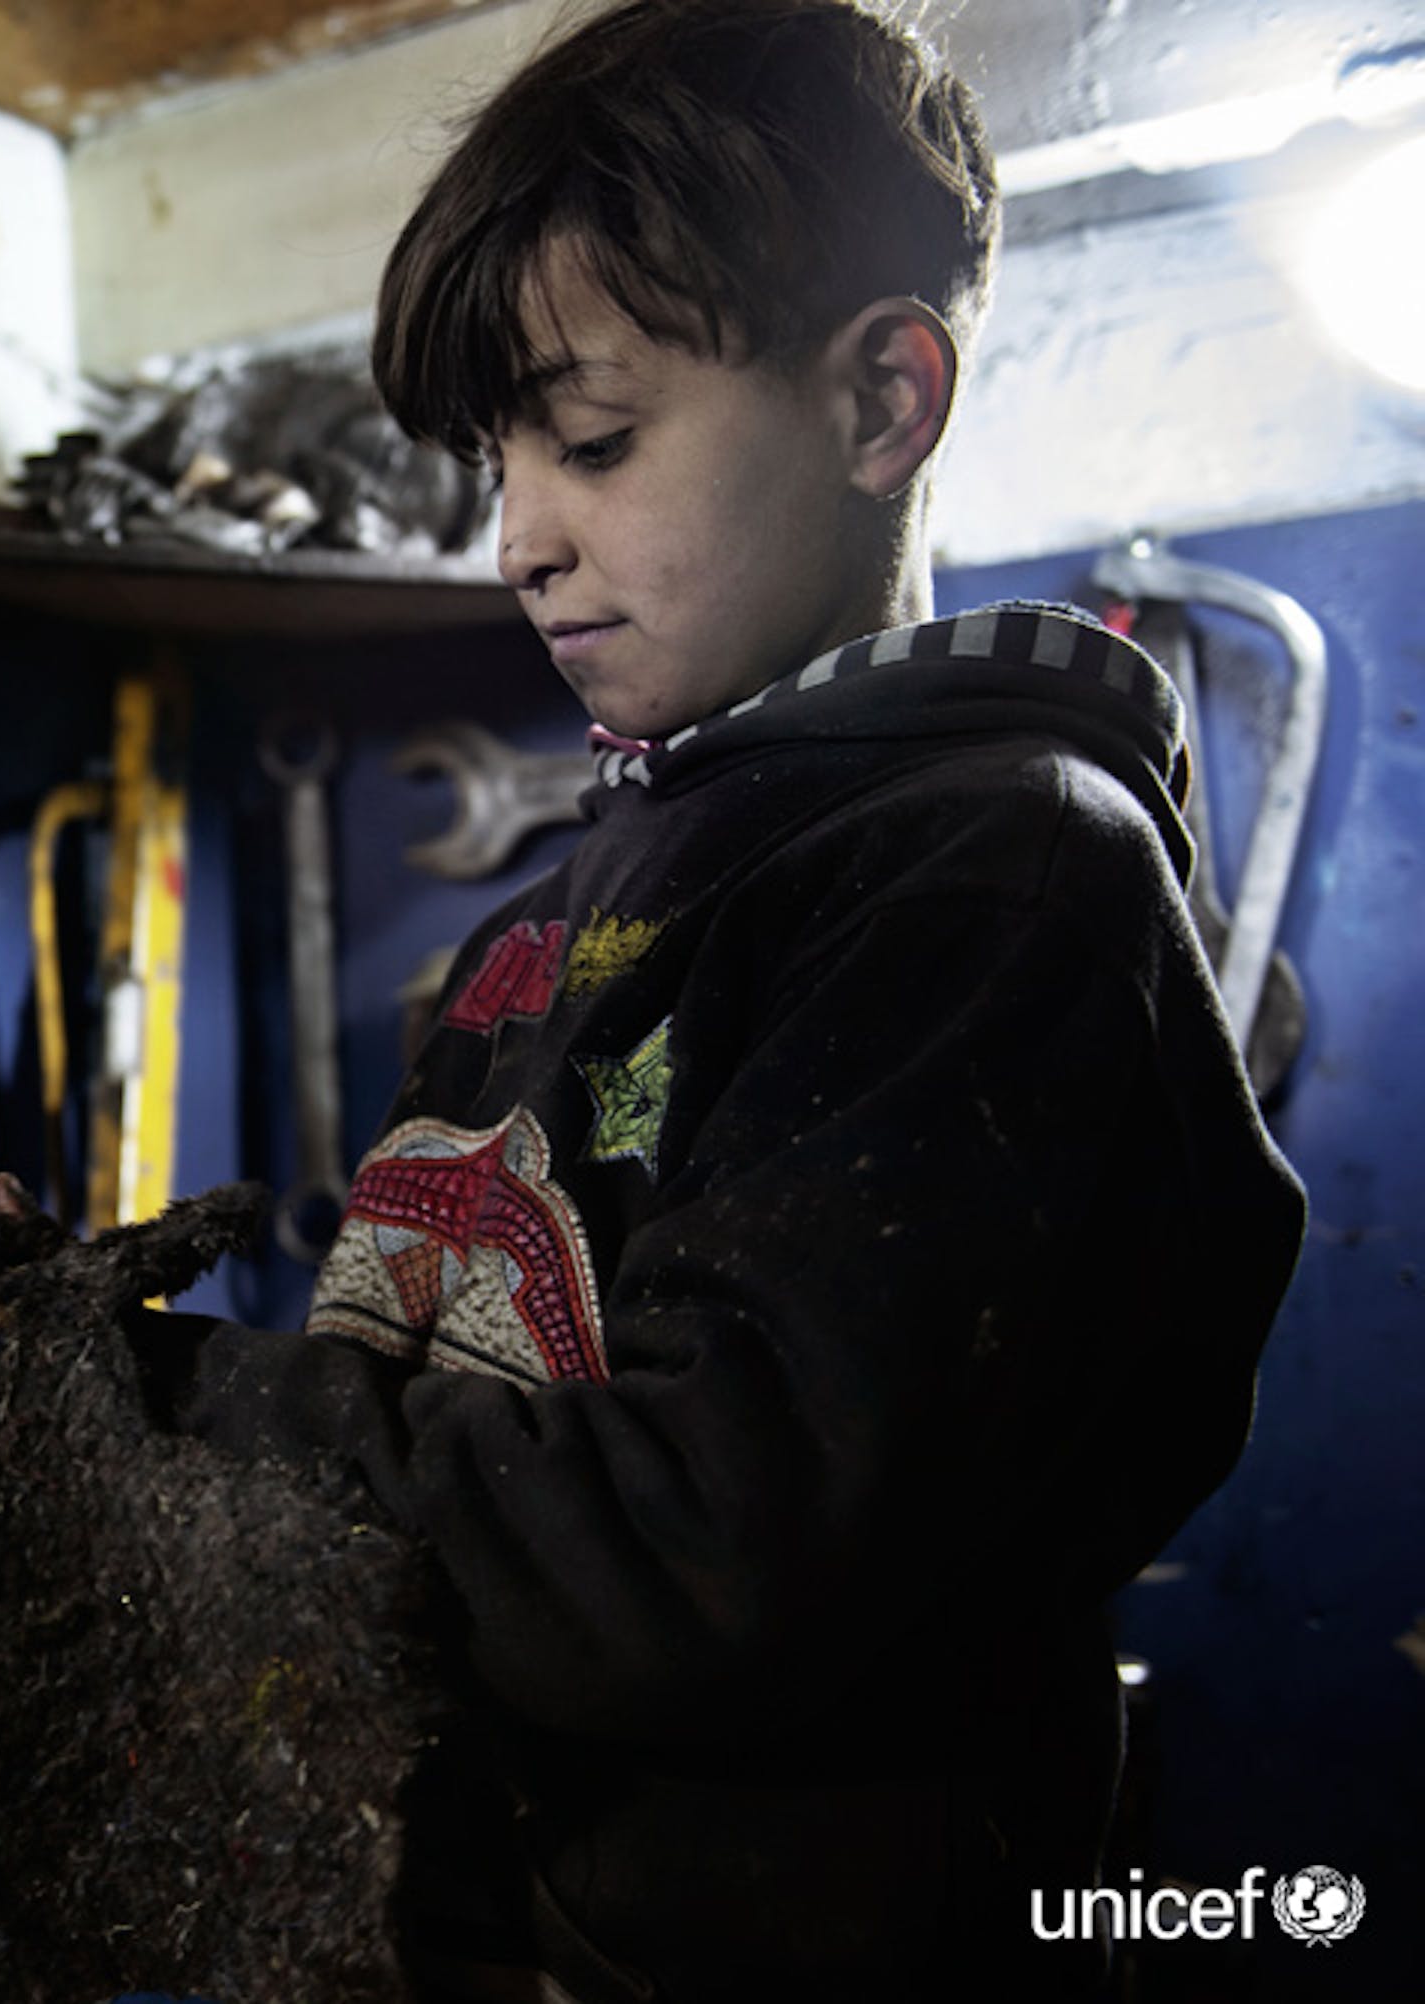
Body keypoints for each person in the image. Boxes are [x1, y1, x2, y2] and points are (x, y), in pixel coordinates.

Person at [129, 3, 1310, 2000]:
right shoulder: (564, 906)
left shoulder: (1003, 880)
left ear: (880, 406)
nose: (519, 538)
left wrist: (161, 1425)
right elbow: (435, 1426)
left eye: (592, 440)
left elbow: (696, 1551)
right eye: (497, 460)